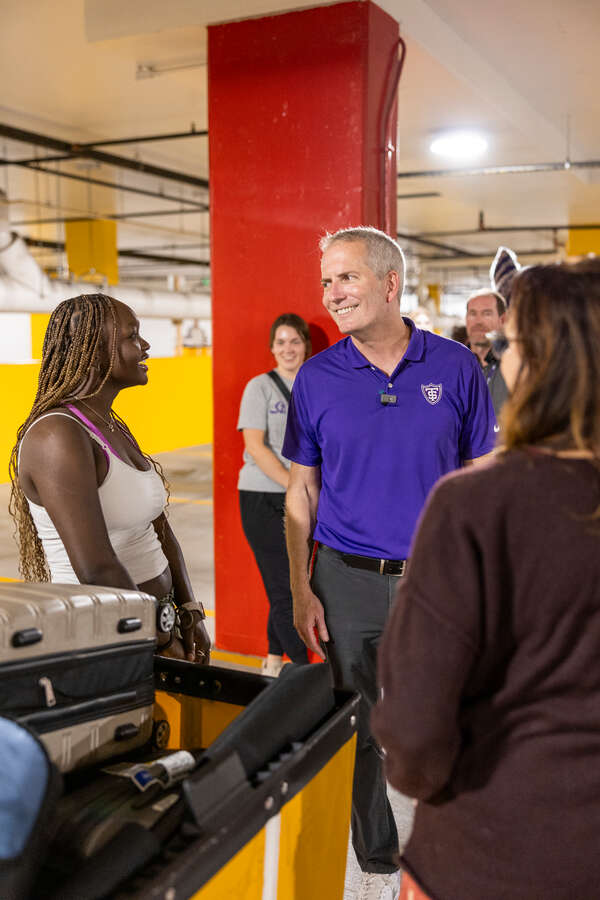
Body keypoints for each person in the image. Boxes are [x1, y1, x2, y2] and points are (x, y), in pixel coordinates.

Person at [372, 259, 600, 900]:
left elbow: (414, 720)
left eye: (512, 342)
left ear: (548, 361)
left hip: (497, 850)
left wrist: (426, 782)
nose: (501, 359)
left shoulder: (477, 505)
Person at [283, 226, 496, 900]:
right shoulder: (316, 377)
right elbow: (301, 489)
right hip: (345, 585)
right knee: (362, 728)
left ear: (389, 282)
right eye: (325, 282)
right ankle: (378, 868)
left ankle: (458, 854)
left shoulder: (456, 367)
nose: (331, 293)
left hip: (438, 581)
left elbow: (482, 477)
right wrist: (300, 588)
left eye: (345, 278)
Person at [9, 293, 210, 664]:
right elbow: (96, 567)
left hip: (152, 624)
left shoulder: (111, 425)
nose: (145, 345)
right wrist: (162, 642)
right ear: (94, 350)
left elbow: (158, 527)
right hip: (106, 636)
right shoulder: (57, 436)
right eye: (132, 336)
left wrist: (188, 609)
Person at [237, 313, 311, 676]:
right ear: (271, 348)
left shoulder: (314, 385)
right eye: (280, 342)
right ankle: (306, 672)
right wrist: (293, 485)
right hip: (263, 497)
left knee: (290, 582)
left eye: (294, 341)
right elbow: (256, 446)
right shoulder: (259, 387)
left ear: (305, 346)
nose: (288, 349)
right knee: (287, 588)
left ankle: (272, 661)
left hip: (299, 496)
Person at [465, 289, 508, 417]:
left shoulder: (516, 365)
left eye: (486, 314)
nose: (478, 321)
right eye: (472, 314)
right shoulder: (453, 365)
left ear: (503, 320)